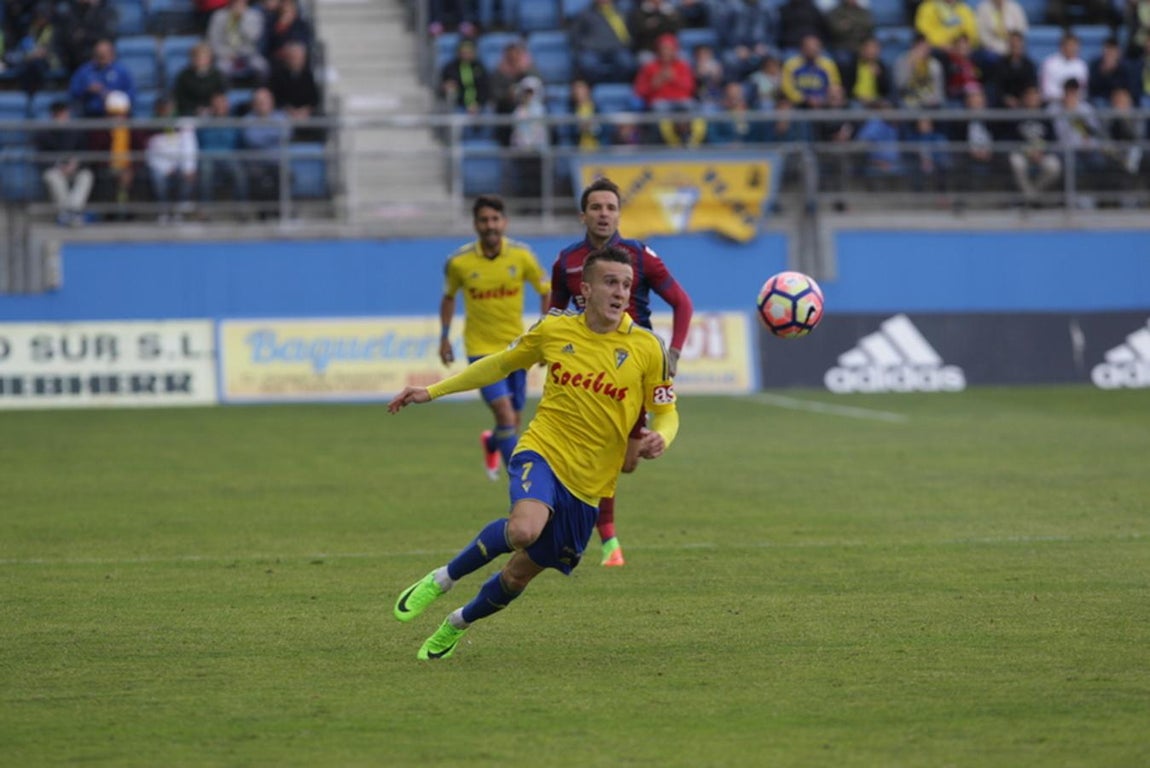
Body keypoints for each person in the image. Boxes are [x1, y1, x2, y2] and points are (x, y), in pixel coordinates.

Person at [390, 246, 681, 660]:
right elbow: (500, 365)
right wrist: (432, 391)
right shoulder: (555, 330)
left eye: (627, 285)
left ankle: (457, 623)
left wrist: (662, 438)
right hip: (543, 450)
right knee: (524, 529)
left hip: (589, 486)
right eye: (610, 282)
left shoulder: (648, 348)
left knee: (518, 575)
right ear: (586, 289)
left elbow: (667, 412)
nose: (620, 292)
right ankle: (442, 579)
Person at [547, 177, 693, 567]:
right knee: (595, 448)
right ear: (584, 214)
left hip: (634, 371)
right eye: (596, 207)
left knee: (626, 461)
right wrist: (550, 351)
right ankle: (606, 537)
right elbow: (554, 314)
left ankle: (591, 524)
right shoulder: (566, 261)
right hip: (590, 370)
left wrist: (674, 351)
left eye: (611, 207)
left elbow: (682, 302)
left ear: (619, 214)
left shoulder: (640, 255)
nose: (604, 214)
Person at [440, 195, 549, 481]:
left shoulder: (522, 256)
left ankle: (491, 442)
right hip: (481, 350)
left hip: (517, 349)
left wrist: (546, 333)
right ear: (475, 224)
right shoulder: (459, 262)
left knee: (513, 420)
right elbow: (449, 298)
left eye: (495, 219)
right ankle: (520, 482)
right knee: (504, 415)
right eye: (484, 220)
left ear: (504, 222)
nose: (490, 225)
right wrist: (444, 337)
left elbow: (545, 290)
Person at [35, 100, 93, 226]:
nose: (62, 117)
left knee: (86, 176)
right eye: (58, 115)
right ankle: (67, 213)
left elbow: (84, 153)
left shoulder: (77, 132)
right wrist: (58, 166)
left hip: (74, 168)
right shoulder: (43, 134)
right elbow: (41, 157)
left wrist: (75, 163)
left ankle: (73, 211)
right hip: (55, 169)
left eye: (64, 114)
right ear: (52, 116)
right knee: (52, 177)